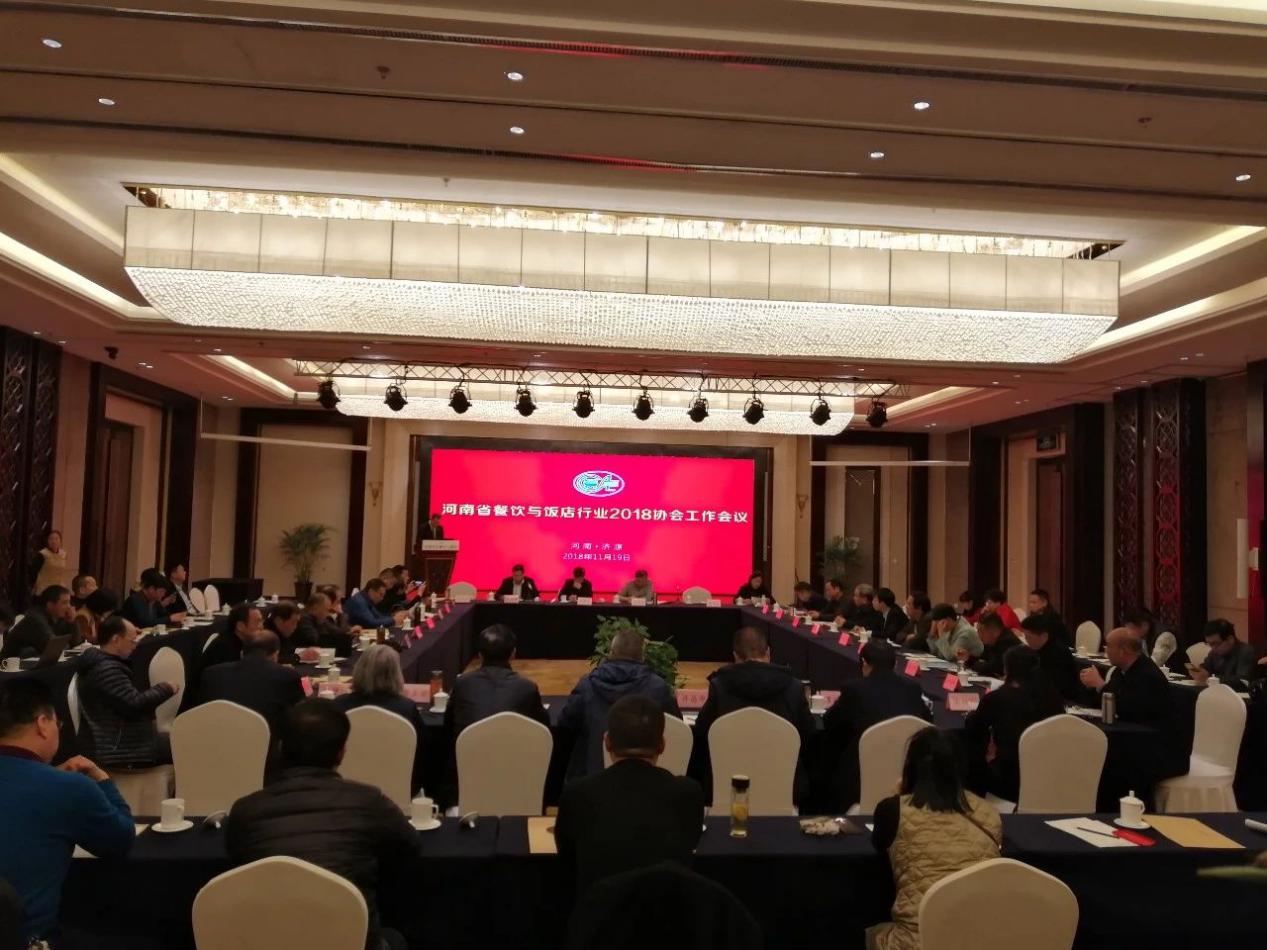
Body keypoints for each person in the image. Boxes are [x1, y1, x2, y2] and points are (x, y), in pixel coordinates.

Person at [225, 700, 419, 950]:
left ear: (280, 748)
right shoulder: (369, 802)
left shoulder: (245, 811)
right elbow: (411, 847)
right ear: (341, 753)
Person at [0, 678, 135, 948]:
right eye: (57, 724)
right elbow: (121, 840)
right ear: (42, 724)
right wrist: (102, 779)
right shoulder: (69, 787)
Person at [868, 728, 1002, 950]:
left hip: (916, 943)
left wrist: (900, 795)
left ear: (910, 768)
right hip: (976, 941)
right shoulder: (989, 814)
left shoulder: (893, 811)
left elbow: (879, 844)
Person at [555, 695, 704, 893]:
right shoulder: (688, 793)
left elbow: (567, 860)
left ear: (607, 742)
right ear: (662, 745)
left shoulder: (578, 794)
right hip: (667, 909)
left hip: (598, 909)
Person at [693, 626, 815, 803]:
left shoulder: (720, 686)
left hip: (726, 785)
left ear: (735, 656)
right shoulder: (794, 687)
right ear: (768, 653)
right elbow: (808, 734)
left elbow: (702, 732)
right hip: (784, 786)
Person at [559, 628, 682, 780]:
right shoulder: (658, 688)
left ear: (610, 654)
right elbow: (678, 728)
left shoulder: (587, 685)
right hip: (648, 778)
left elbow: (564, 725)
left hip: (592, 778)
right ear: (643, 657)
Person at [823, 639, 931, 810]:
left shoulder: (854, 689)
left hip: (861, 776)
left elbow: (830, 722)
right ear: (895, 664)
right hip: (908, 771)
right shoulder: (912, 688)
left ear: (864, 663)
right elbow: (926, 722)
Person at [1078, 628, 1187, 780]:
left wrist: (1101, 685)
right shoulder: (1120, 671)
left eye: (1108, 645)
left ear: (1123, 651)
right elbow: (1108, 703)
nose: (1105, 650)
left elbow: (1128, 708)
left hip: (1159, 748)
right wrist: (1093, 687)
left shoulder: (1147, 675)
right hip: (1137, 739)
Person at [962, 646, 1065, 802]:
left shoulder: (997, 698)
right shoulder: (1053, 698)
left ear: (1007, 669)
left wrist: (971, 716)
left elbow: (974, 729)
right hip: (1048, 772)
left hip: (1008, 777)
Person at [76, 617, 177, 767]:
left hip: (122, 738)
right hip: (120, 749)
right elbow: (135, 704)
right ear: (116, 640)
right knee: (187, 743)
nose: (135, 646)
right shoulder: (106, 670)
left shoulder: (104, 664)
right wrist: (166, 688)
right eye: (132, 641)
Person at [444, 624, 550, 736]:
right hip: (514, 746)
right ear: (513, 654)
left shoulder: (462, 683)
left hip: (468, 746)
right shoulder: (527, 687)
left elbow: (448, 724)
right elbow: (544, 727)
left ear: (480, 655)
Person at [197, 631, 305, 738]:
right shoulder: (287, 675)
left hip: (213, 738)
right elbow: (299, 715)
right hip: (263, 742)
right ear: (275, 655)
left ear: (242, 653)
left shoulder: (211, 673)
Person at [333, 644, 425, 740]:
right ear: (395, 674)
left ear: (358, 669)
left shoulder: (340, 705)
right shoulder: (406, 708)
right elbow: (422, 744)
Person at [1, 584, 74, 660]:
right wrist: (66, 645)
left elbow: (75, 643)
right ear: (50, 605)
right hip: (9, 665)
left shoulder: (58, 618)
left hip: (28, 662)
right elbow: (55, 649)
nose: (69, 607)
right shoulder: (35, 619)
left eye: (69, 602)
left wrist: (72, 621)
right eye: (64, 603)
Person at [1021, 613, 1082, 701]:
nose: (1026, 640)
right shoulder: (1038, 648)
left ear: (1044, 636)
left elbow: (1053, 686)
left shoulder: (1058, 653)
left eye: (1028, 637)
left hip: (1064, 700)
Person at [1190, 619, 1256, 691]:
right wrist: (1200, 672)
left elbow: (1242, 681)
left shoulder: (1245, 652)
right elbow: (1206, 668)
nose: (1213, 648)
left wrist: (1212, 679)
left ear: (1230, 639)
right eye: (1210, 644)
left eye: (1216, 643)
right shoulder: (1214, 653)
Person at [201, 601, 264, 670]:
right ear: (240, 626)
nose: (262, 627)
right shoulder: (224, 649)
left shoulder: (245, 641)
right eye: (257, 622)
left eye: (261, 621)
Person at [960, 612, 1021, 678]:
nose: (978, 634)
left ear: (995, 632)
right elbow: (984, 655)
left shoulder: (1007, 642)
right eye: (978, 630)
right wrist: (968, 657)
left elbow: (991, 668)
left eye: (981, 631)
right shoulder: (992, 641)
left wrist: (972, 662)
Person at [29, 529, 69, 595]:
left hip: (58, 587)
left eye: (56, 539)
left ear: (60, 541)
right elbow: (33, 572)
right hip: (44, 588)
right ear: (47, 541)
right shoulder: (42, 554)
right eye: (51, 539)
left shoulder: (63, 554)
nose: (54, 541)